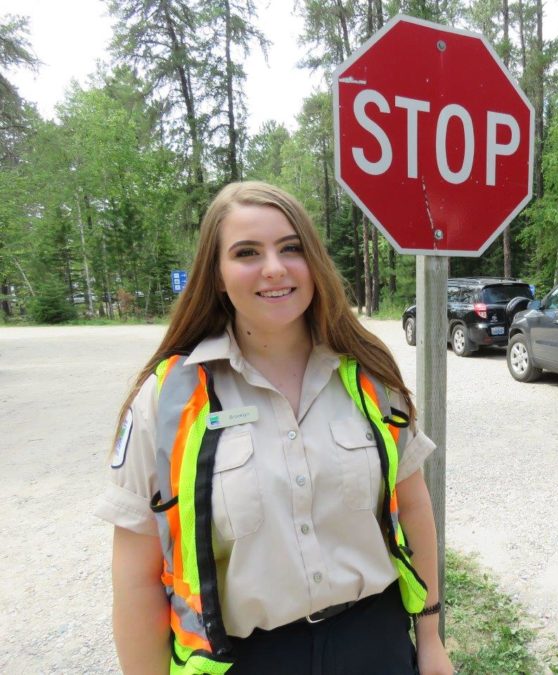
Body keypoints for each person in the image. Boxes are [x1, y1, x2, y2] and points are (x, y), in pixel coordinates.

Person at [95, 181, 454, 675]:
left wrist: (431, 640)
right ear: (217, 276)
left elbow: (412, 506)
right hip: (246, 657)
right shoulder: (169, 399)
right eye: (247, 252)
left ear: (314, 263)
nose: (274, 268)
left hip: (377, 644)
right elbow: (136, 576)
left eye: (291, 248)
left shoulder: (367, 374)